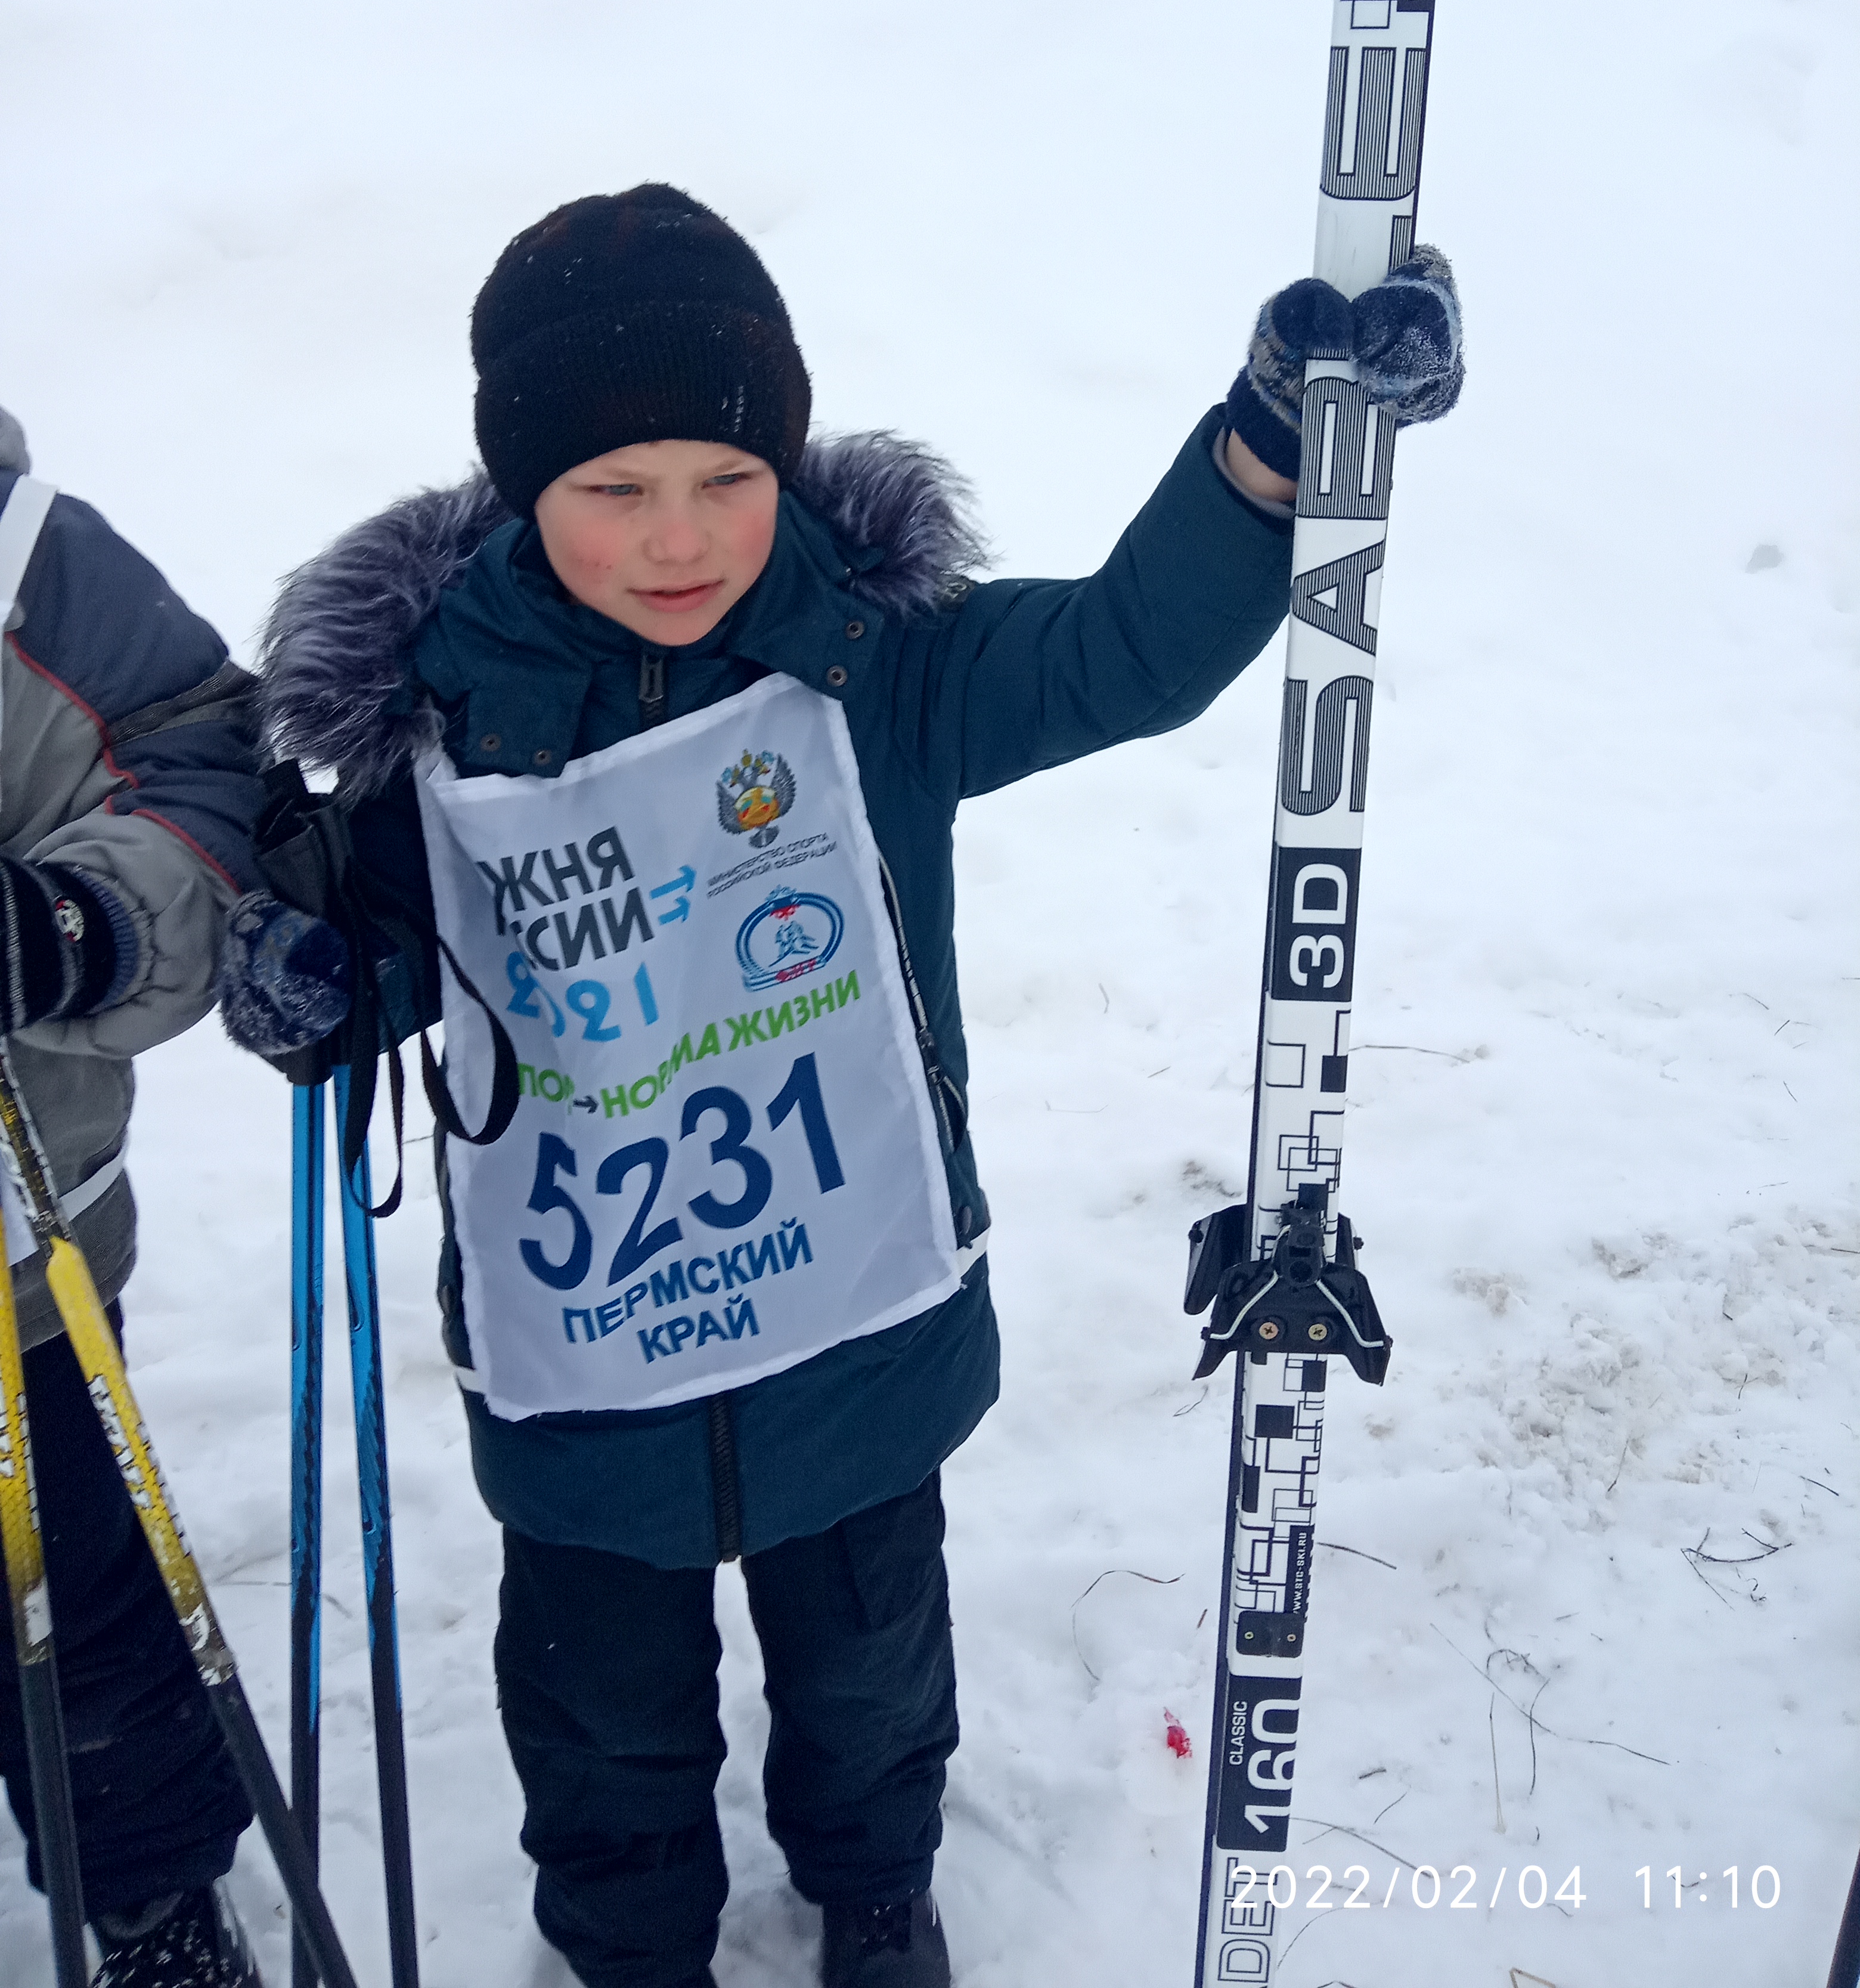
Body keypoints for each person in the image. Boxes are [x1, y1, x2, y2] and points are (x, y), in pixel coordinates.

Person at [219, 188, 1463, 1988]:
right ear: (522, 488)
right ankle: (630, 1939)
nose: (678, 541)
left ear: (789, 468)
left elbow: (1126, 646)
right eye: (615, 491)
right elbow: (392, 947)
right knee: (598, 1711)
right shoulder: (442, 718)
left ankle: (875, 1881)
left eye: (727, 480)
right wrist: (321, 978)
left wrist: (1279, 446)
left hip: (851, 1325)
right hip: (592, 1358)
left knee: (874, 1662)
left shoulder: (882, 666)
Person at [0, 408, 268, 1987]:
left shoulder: (29, 564)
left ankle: (155, 1895)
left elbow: (190, 753)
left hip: (18, 1258)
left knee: (79, 1614)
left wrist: (80, 923)